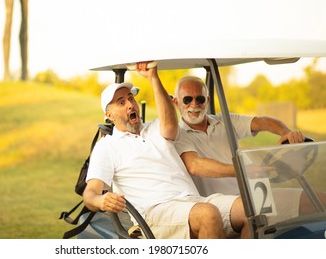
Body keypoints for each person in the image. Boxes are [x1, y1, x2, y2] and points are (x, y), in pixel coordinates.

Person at [83, 62, 250, 239]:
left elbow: (170, 124)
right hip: (154, 212)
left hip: (191, 201)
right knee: (207, 214)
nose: (130, 105)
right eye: (121, 103)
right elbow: (90, 193)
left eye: (131, 99)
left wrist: (153, 78)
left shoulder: (156, 127)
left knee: (250, 209)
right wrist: (100, 200)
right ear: (109, 115)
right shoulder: (108, 146)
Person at [173, 75, 322, 219]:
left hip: (255, 194)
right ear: (176, 103)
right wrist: (242, 170)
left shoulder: (226, 120)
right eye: (187, 100)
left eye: (200, 99)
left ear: (207, 100)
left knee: (319, 199)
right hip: (221, 207)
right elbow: (195, 165)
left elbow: (262, 122)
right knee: (253, 218)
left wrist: (286, 133)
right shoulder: (178, 135)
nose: (194, 105)